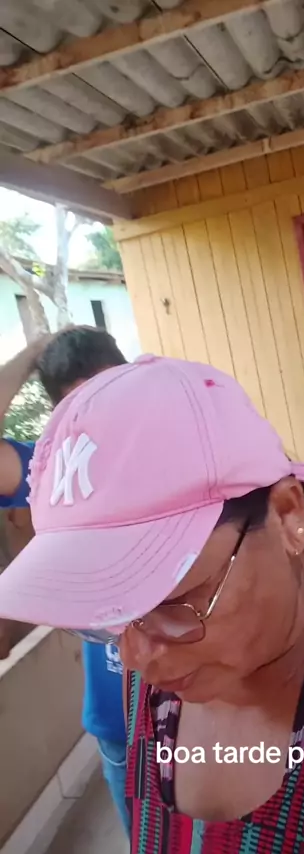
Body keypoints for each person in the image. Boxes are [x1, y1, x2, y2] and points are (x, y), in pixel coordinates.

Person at [1, 354, 304, 854]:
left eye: (170, 598)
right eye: (107, 613)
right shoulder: (153, 683)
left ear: (287, 514)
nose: (134, 656)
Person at [0, 328, 130, 834]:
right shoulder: (54, 470)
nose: (102, 420)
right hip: (118, 723)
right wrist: (32, 353)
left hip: (201, 715)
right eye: (81, 407)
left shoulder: (177, 452)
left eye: (111, 396)